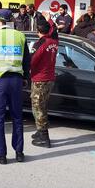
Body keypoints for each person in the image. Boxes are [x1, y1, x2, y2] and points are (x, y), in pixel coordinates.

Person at [0, 9, 30, 164]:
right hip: (16, 81)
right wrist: (25, 78)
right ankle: (19, 153)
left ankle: (0, 155)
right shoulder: (21, 36)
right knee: (17, 117)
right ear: (12, 21)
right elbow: (26, 61)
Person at [30, 16, 59, 148]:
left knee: (38, 107)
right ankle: (39, 130)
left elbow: (32, 61)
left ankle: (44, 136)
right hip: (50, 78)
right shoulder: (54, 40)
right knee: (42, 105)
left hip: (40, 79)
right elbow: (54, 29)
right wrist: (50, 20)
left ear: (38, 31)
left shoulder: (40, 43)